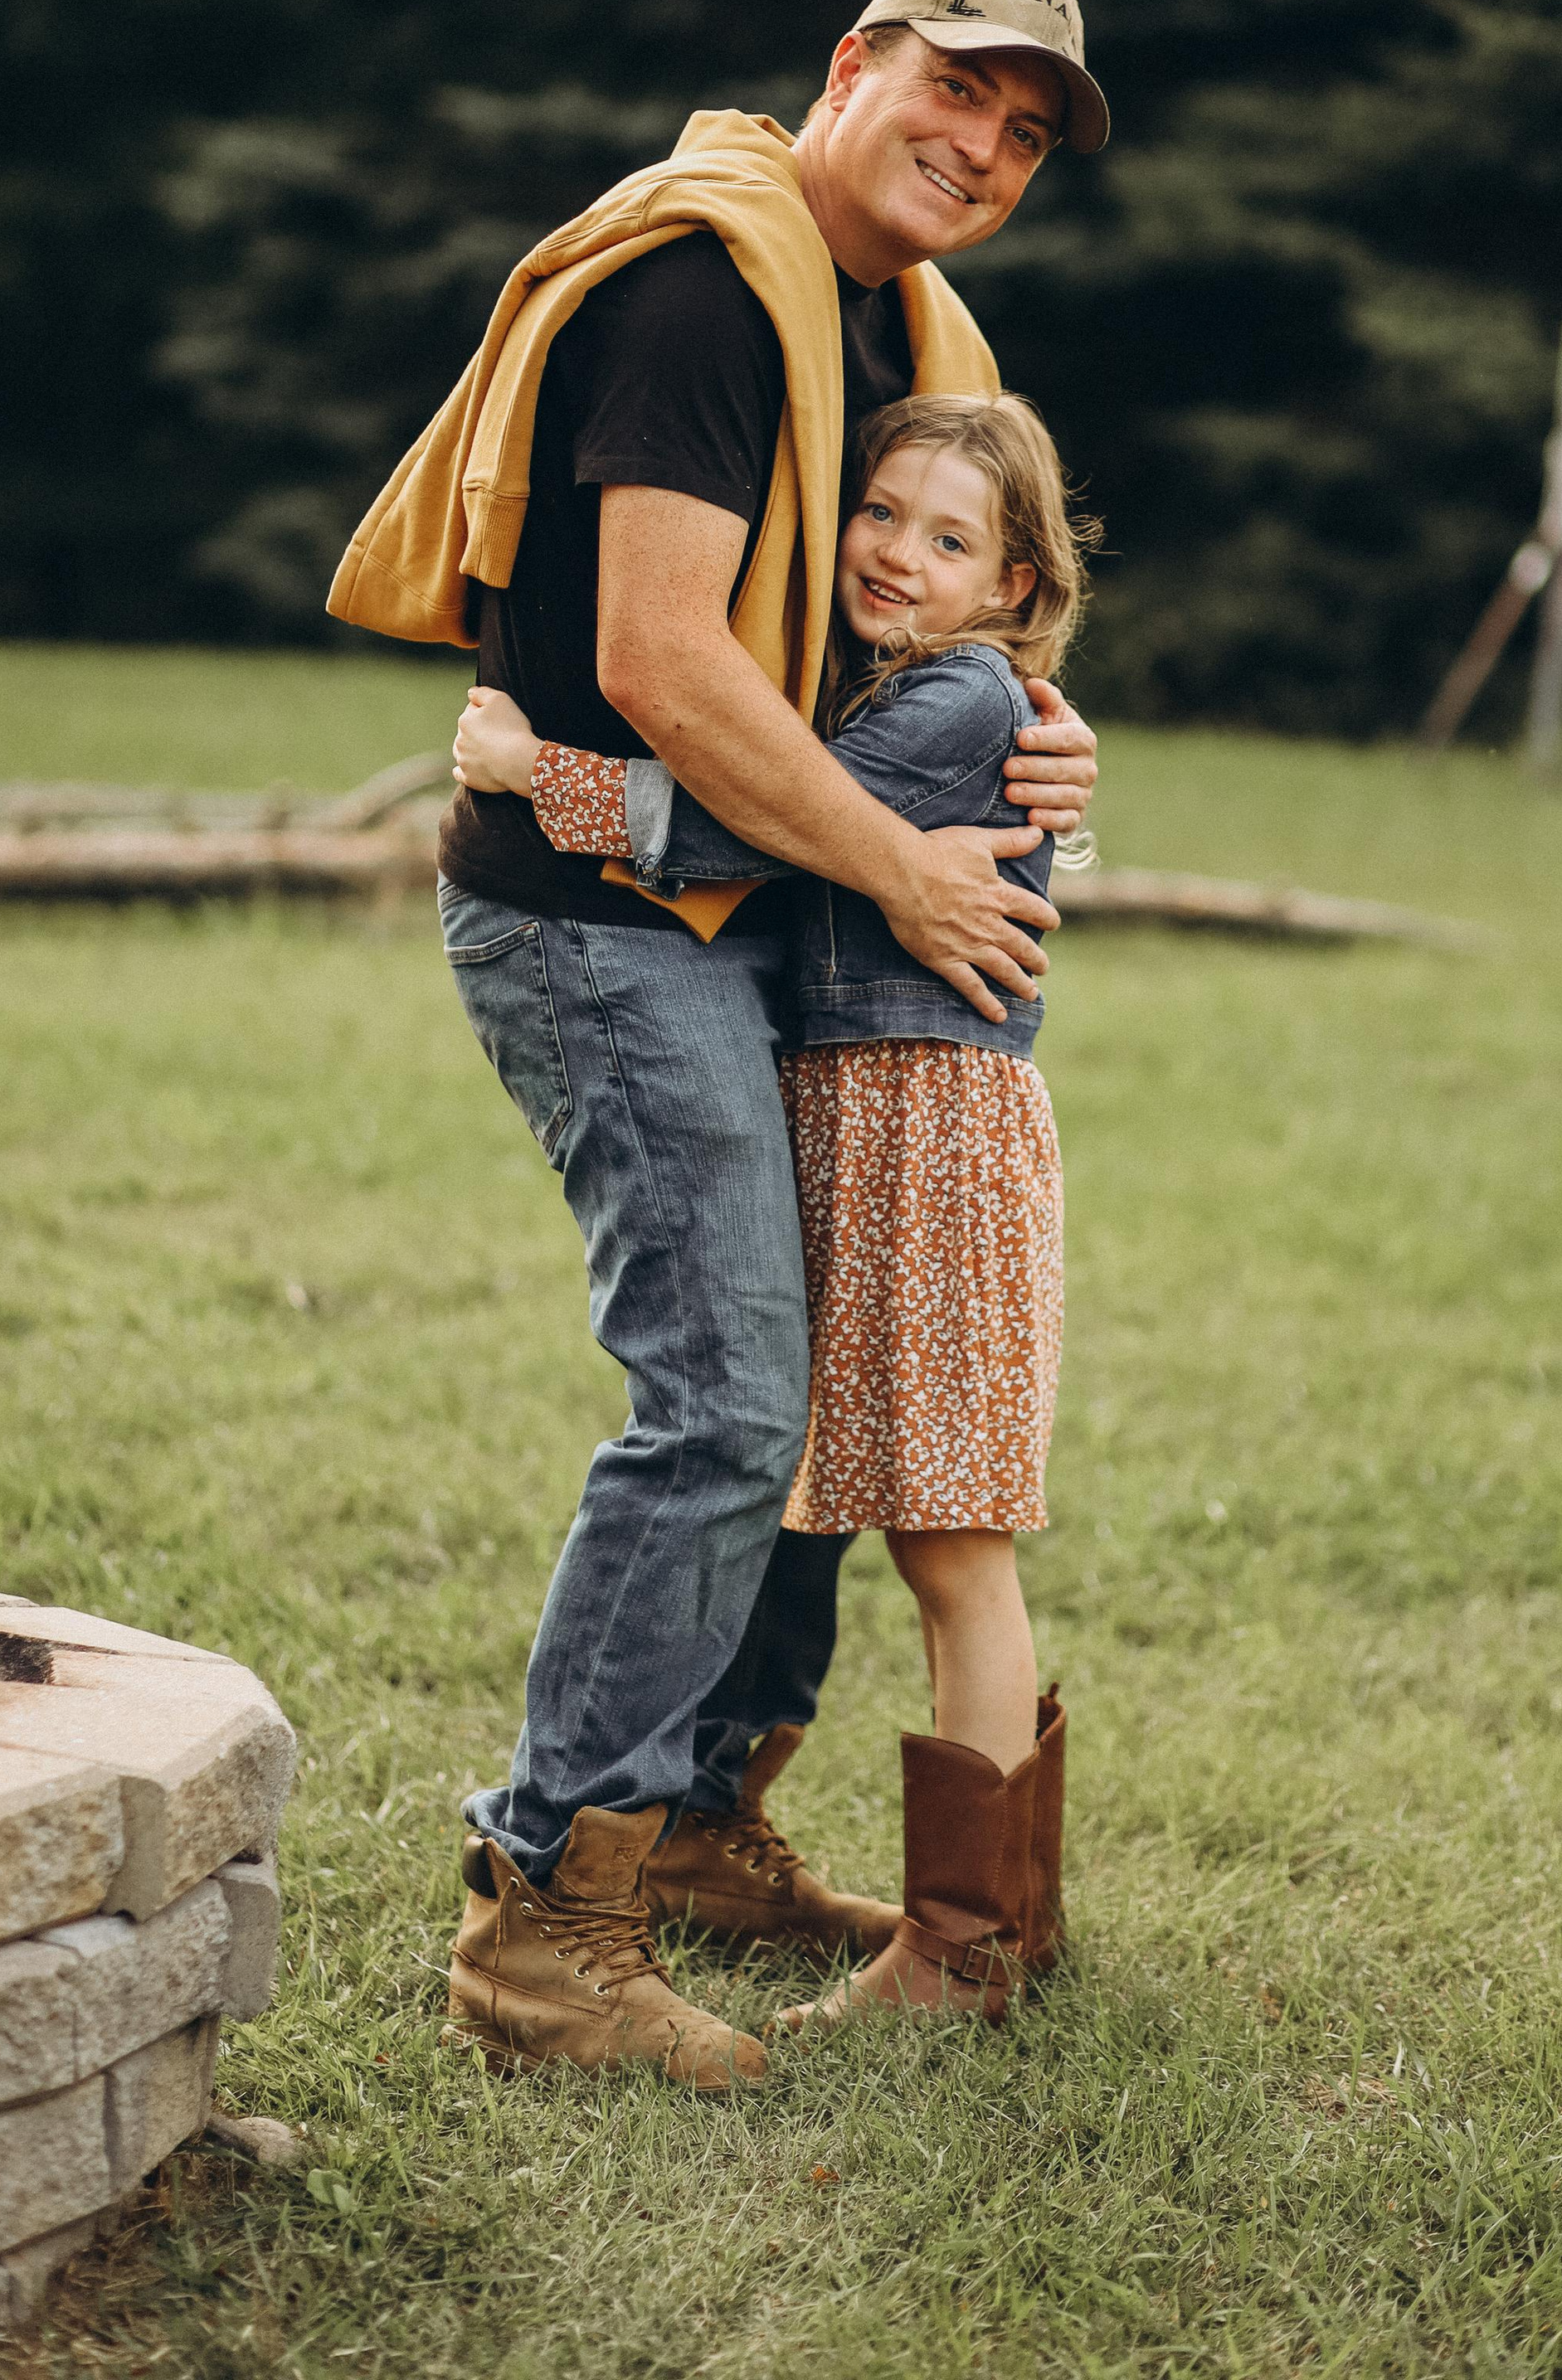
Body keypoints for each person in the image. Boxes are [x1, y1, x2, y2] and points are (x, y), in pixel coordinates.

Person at [327, 0, 1109, 2087]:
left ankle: (690, 1830)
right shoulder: (699, 296)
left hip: (753, 911)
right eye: (954, 92)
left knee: (794, 1416)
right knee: (726, 1404)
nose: (982, 148)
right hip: (599, 919)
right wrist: (903, 861)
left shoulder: (896, 331)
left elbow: (922, 646)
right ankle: (541, 1917)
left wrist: (1033, 739)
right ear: (851, 70)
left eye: (1024, 133)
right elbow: (666, 661)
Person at [455, 390, 1096, 2030]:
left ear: (1014, 583)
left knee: (950, 1536)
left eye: (947, 538)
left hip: (922, 1135)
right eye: (878, 513)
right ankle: (949, 1914)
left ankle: (966, 1949)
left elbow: (752, 818)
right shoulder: (918, 686)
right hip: (867, 1117)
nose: (894, 553)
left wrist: (540, 776)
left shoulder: (956, 697)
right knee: (880, 1503)